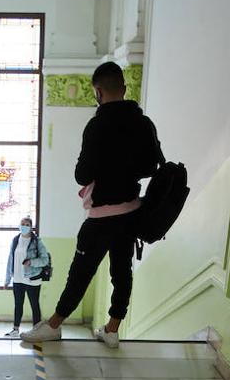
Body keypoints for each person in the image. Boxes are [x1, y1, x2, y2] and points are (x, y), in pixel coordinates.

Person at [21, 62, 161, 349]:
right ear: (123, 88)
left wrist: (105, 169)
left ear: (98, 91)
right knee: (122, 272)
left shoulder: (97, 126)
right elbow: (151, 166)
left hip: (100, 217)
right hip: (131, 212)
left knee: (81, 273)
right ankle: (111, 329)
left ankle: (54, 326)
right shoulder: (144, 123)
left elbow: (81, 175)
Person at [3, 216, 49, 337]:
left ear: (31, 227)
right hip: (17, 278)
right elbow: (10, 259)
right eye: (22, 224)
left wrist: (31, 262)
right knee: (18, 304)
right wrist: (7, 279)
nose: (24, 226)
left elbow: (45, 260)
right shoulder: (15, 240)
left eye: (27, 224)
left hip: (32, 278)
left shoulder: (37, 241)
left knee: (34, 305)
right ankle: (15, 329)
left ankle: (37, 331)